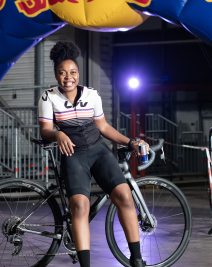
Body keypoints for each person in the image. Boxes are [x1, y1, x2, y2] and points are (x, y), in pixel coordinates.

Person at [38, 41, 148, 267]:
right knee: (80, 206)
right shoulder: (48, 98)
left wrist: (131, 142)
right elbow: (45, 130)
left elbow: (104, 128)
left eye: (73, 72)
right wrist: (58, 135)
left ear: (78, 73)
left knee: (125, 197)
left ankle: (136, 259)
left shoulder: (92, 95)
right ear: (56, 75)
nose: (68, 77)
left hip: (99, 151)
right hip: (73, 156)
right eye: (62, 73)